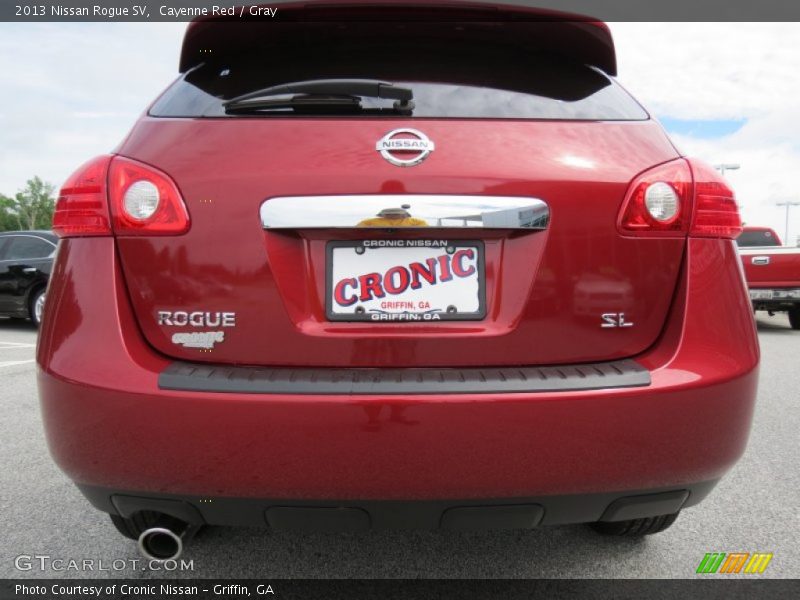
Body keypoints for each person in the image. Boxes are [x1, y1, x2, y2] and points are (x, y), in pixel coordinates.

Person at [357, 207, 428, 227]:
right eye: (389, 214)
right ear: (383, 215)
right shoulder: (373, 221)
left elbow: (424, 225)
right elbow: (359, 227)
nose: (393, 215)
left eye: (396, 214)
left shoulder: (414, 221)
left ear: (403, 215)